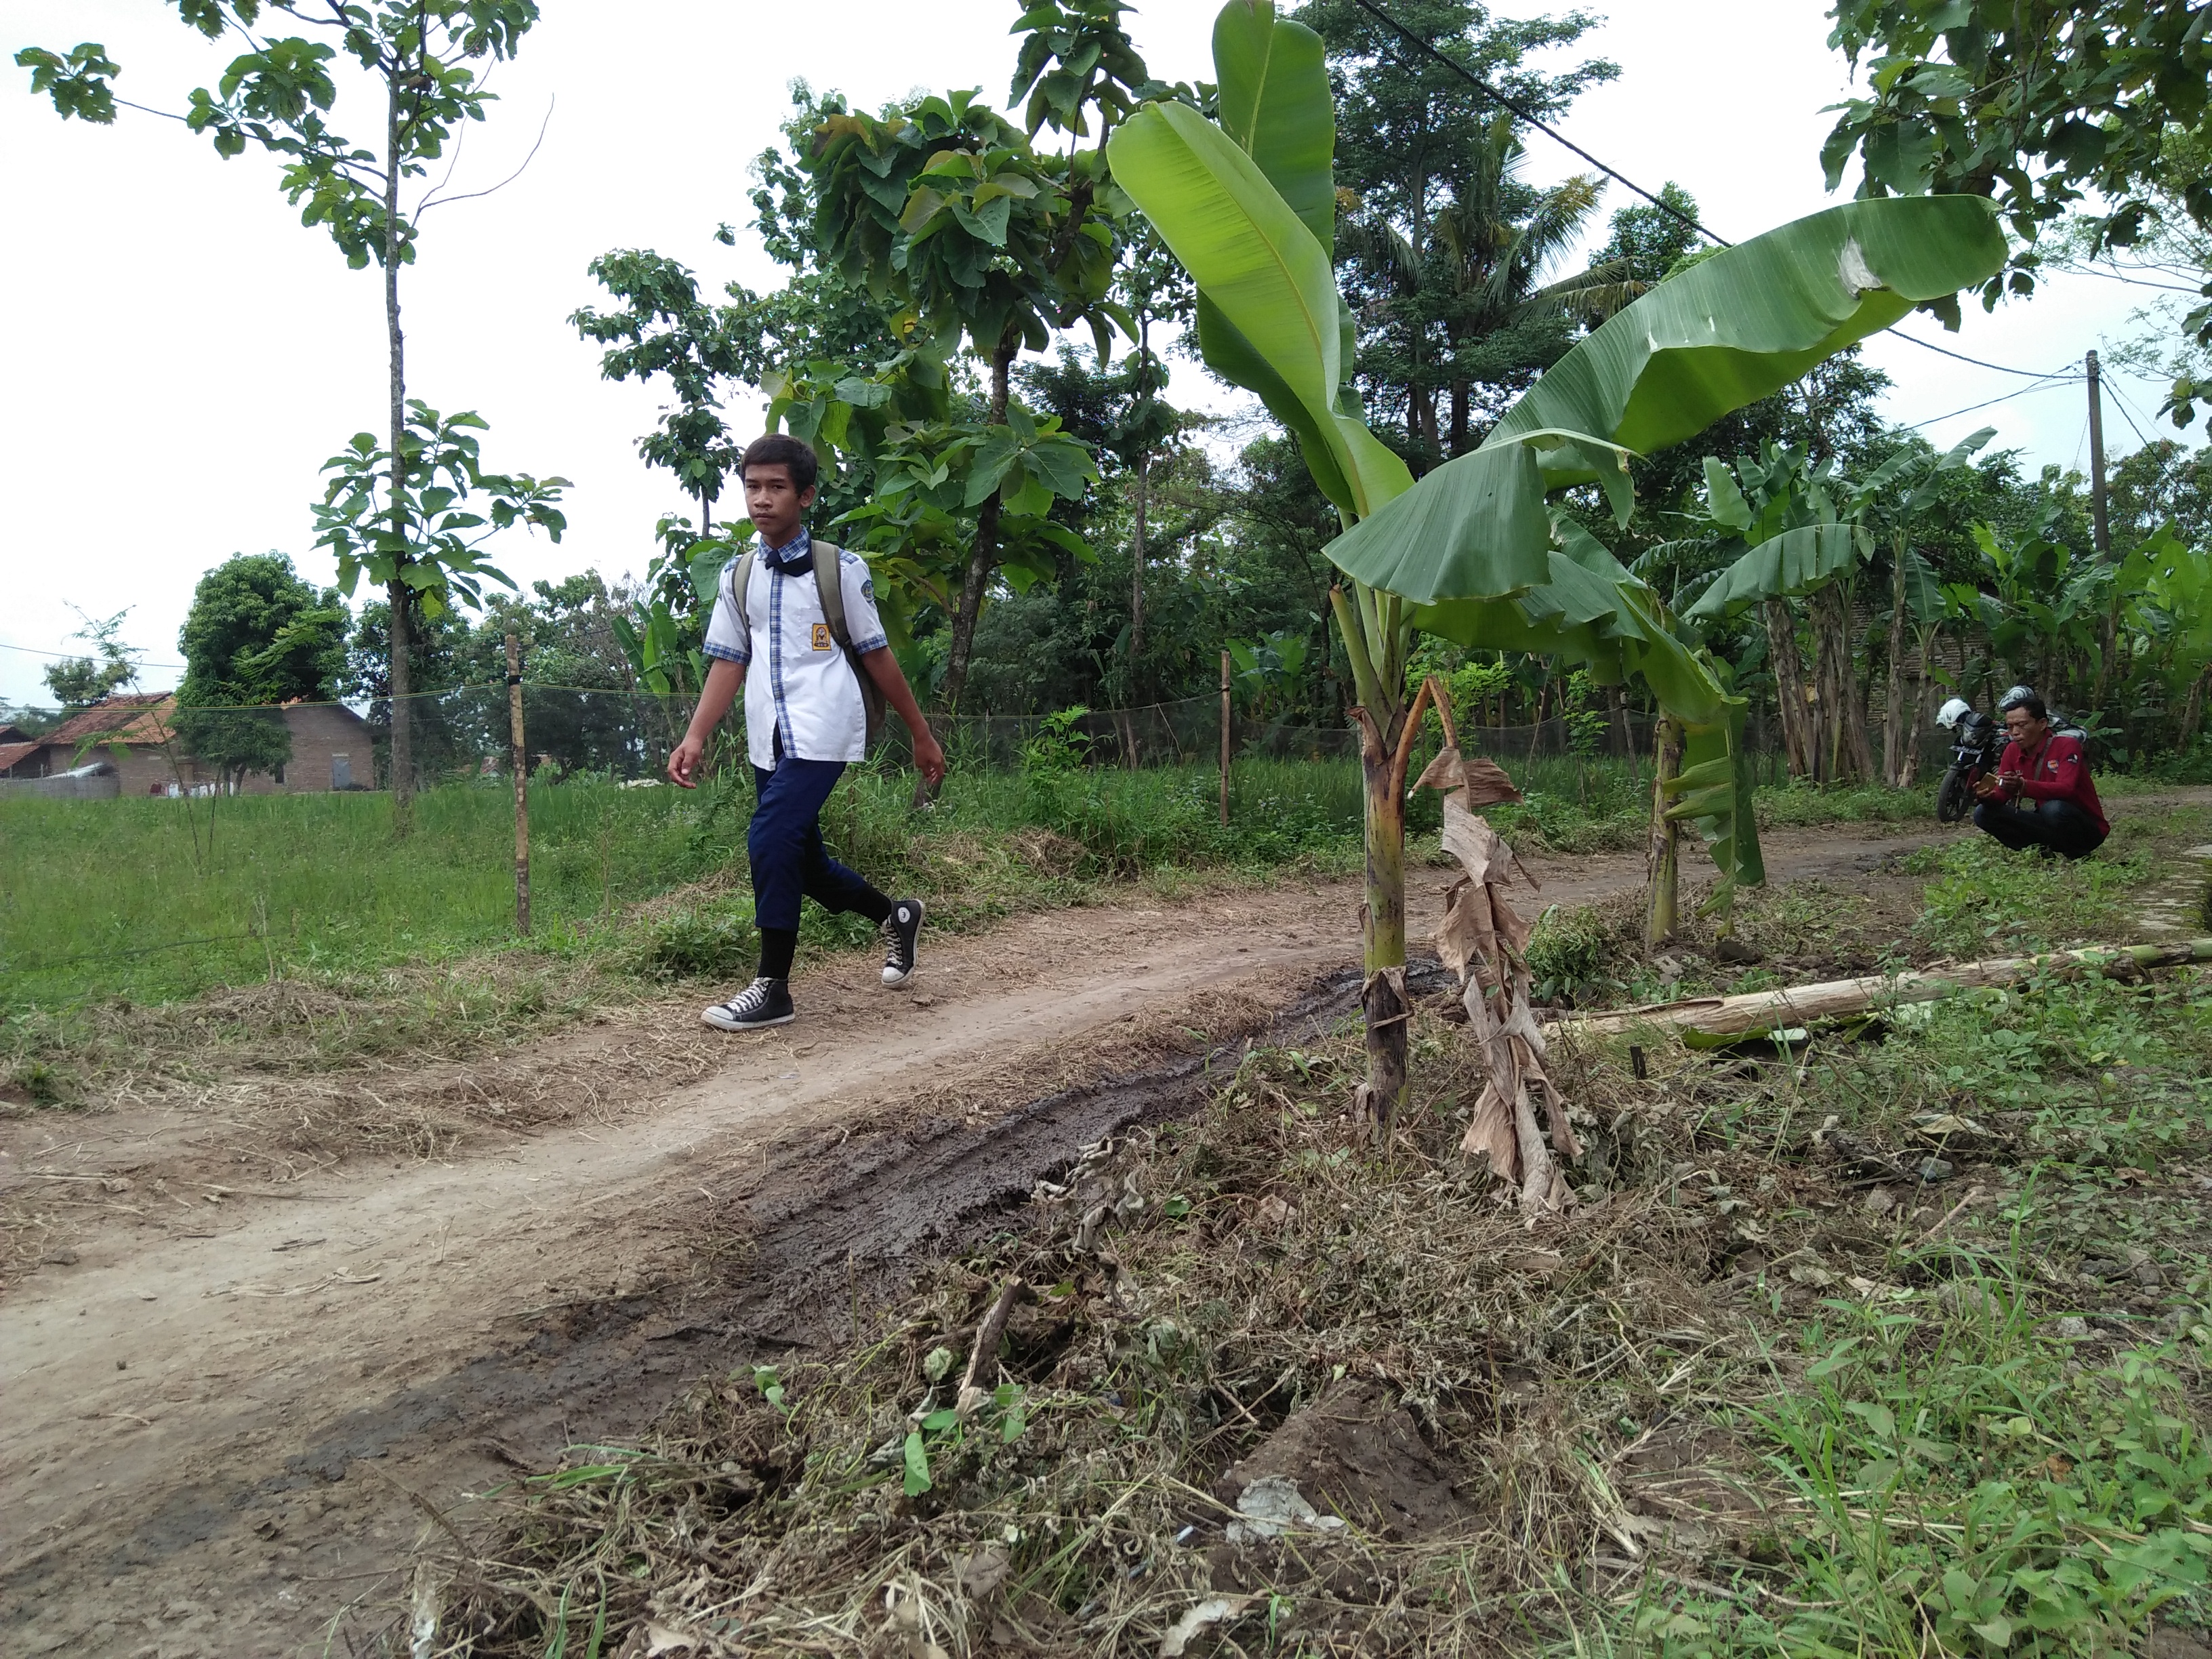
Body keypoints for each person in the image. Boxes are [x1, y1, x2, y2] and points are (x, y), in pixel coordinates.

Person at [667, 434, 947, 1029]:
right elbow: (728, 662)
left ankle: (773, 989)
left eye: (776, 487)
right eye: (752, 486)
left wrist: (920, 733)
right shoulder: (737, 576)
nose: (761, 499)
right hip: (768, 733)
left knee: (769, 837)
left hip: (824, 726)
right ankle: (896, 916)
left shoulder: (840, 570)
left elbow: (877, 656)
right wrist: (694, 737)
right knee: (807, 861)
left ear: (806, 495)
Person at [1971, 687, 2107, 860]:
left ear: (2042, 724)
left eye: (2022, 725)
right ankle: (2041, 853)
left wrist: (2023, 786)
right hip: (2047, 821)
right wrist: (1987, 796)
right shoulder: (2012, 751)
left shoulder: (2067, 745)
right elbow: (2002, 793)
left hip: (2086, 827)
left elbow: (2067, 789)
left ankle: (2079, 854)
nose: (2015, 733)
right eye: (2010, 727)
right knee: (1983, 813)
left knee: (2053, 809)